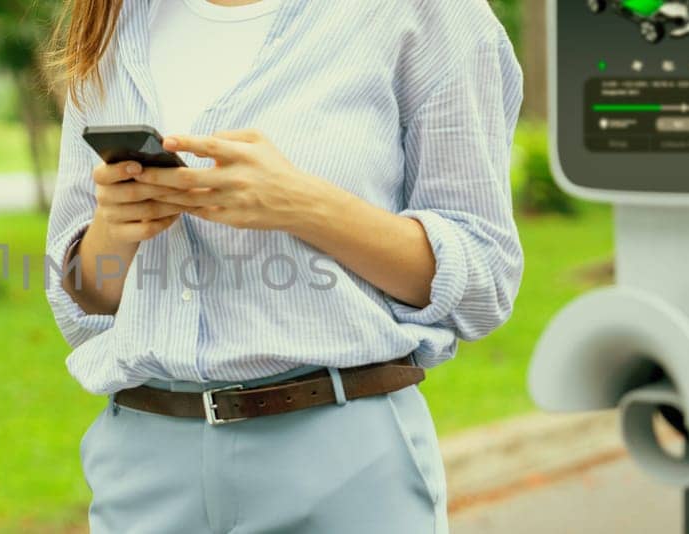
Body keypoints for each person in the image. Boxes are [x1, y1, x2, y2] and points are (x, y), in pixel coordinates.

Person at [43, 0, 523, 531]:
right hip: (143, 465)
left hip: (339, 462)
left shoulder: (428, 13)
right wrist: (115, 228)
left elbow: (484, 279)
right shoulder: (113, 20)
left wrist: (305, 206)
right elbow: (81, 305)